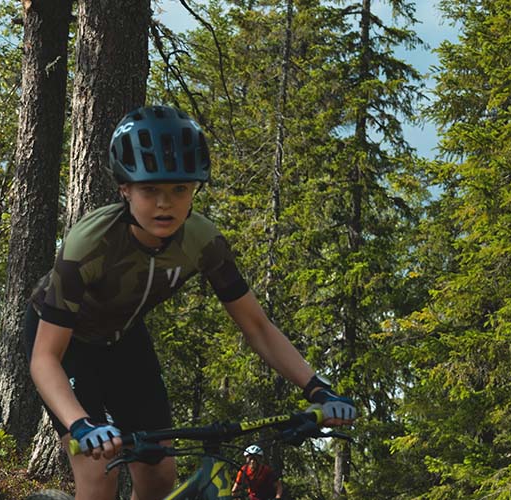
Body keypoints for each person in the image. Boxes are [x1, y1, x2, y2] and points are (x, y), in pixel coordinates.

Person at [26, 105, 357, 499]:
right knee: (100, 475)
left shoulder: (202, 241)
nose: (165, 204)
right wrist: (80, 424)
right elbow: (44, 358)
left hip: (124, 339)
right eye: (150, 190)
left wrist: (317, 388)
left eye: (179, 189)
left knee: (159, 477)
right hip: (66, 344)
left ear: (194, 189)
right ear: (124, 189)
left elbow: (257, 327)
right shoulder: (89, 244)